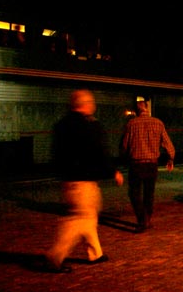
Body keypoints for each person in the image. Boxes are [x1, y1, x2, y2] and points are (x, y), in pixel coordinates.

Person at [45, 89, 124, 273]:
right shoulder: (89, 126)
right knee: (79, 219)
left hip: (68, 180)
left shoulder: (61, 125)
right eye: (92, 102)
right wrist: (112, 171)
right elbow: (99, 151)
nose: (93, 106)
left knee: (89, 218)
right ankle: (55, 256)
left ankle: (95, 253)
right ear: (86, 104)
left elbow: (56, 154)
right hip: (84, 181)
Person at [120, 97, 176, 232]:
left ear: (136, 111)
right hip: (152, 165)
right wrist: (170, 159)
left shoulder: (131, 124)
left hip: (136, 164)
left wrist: (123, 157)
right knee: (149, 193)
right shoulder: (158, 123)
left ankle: (141, 219)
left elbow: (124, 145)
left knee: (134, 193)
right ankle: (148, 218)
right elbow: (168, 144)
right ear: (147, 108)